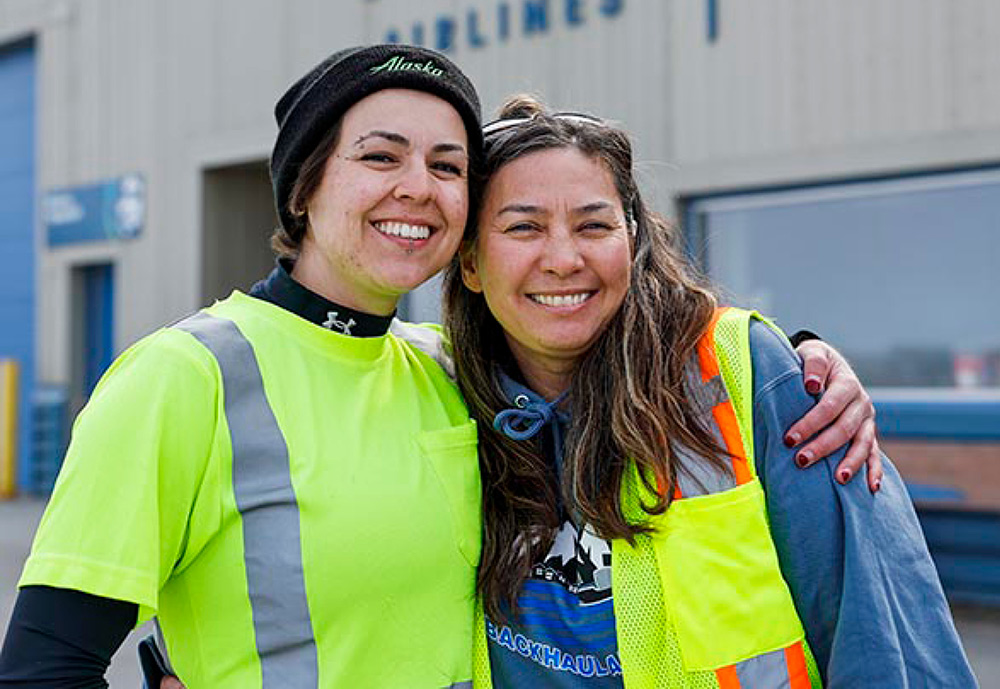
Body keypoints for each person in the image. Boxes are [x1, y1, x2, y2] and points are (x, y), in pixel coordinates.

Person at [0, 46, 878, 689]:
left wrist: (793, 357)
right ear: (304, 187)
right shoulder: (182, 376)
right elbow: (46, 666)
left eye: (447, 165)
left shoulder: (446, 372)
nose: (418, 186)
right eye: (380, 156)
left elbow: (601, 341)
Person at [442, 97, 977, 687]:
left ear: (633, 239)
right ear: (469, 262)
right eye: (523, 227)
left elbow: (880, 632)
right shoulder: (437, 393)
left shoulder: (741, 376)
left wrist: (792, 368)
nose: (565, 259)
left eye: (594, 225)